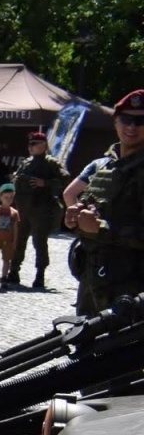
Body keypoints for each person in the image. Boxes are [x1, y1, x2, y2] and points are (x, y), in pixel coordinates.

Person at [70, 90, 144, 315]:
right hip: (93, 280)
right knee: (83, 344)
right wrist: (76, 216)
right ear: (115, 121)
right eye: (126, 119)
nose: (131, 127)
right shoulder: (104, 166)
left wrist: (101, 229)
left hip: (131, 290)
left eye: (141, 121)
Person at [11, 130, 69, 288]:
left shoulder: (51, 163)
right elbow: (17, 176)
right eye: (29, 144)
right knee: (19, 240)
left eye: (34, 144)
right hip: (24, 207)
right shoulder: (27, 162)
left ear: (44, 145)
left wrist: (46, 183)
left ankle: (40, 275)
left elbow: (65, 179)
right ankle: (14, 271)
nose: (30, 147)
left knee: (39, 242)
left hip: (42, 208)